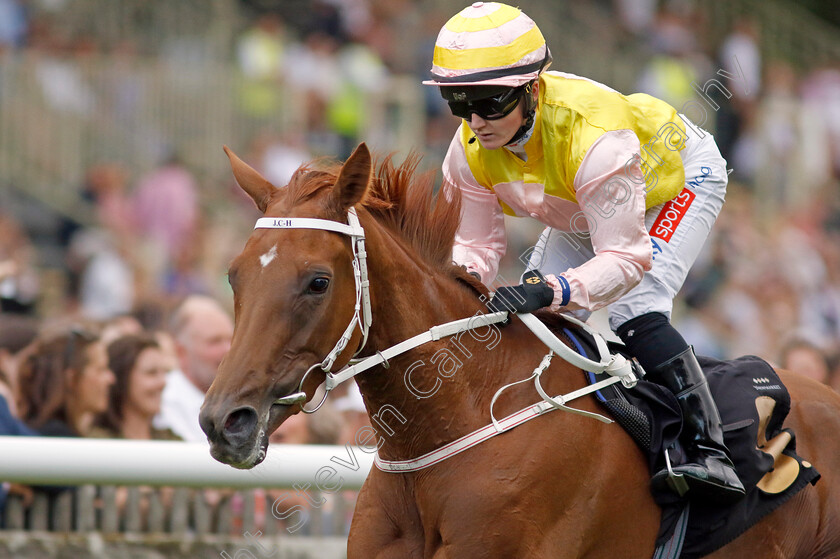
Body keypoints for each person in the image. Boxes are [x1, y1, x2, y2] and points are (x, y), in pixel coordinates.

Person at [424, 2, 743, 503]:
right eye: (459, 103)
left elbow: (628, 260)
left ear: (532, 88)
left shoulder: (595, 137)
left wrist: (559, 288)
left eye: (489, 103)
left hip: (675, 180)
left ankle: (711, 449)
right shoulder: (467, 149)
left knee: (633, 308)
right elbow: (475, 248)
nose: (476, 122)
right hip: (581, 198)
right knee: (533, 310)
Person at [153, 295, 233, 442]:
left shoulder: (240, 401)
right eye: (214, 341)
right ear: (181, 352)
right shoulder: (161, 404)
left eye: (231, 340)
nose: (228, 350)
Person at [17, 325, 115, 437]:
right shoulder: (57, 439)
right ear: (72, 378)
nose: (110, 379)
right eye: (100, 370)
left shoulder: (34, 430)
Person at [94, 333, 180, 441]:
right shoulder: (96, 442)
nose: (163, 382)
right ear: (121, 377)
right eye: (151, 373)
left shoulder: (172, 441)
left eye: (165, 372)